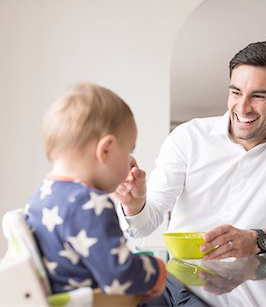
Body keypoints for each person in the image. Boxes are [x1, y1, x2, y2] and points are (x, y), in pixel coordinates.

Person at [116, 41, 266, 259]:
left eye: (258, 96)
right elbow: (144, 226)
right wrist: (135, 204)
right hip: (184, 287)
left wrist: (259, 239)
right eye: (236, 92)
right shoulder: (188, 137)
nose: (243, 107)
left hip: (257, 290)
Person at [25, 83, 166, 297]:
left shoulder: (41, 197)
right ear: (106, 149)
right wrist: (157, 269)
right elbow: (120, 277)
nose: (131, 160)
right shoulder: (89, 203)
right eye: (129, 150)